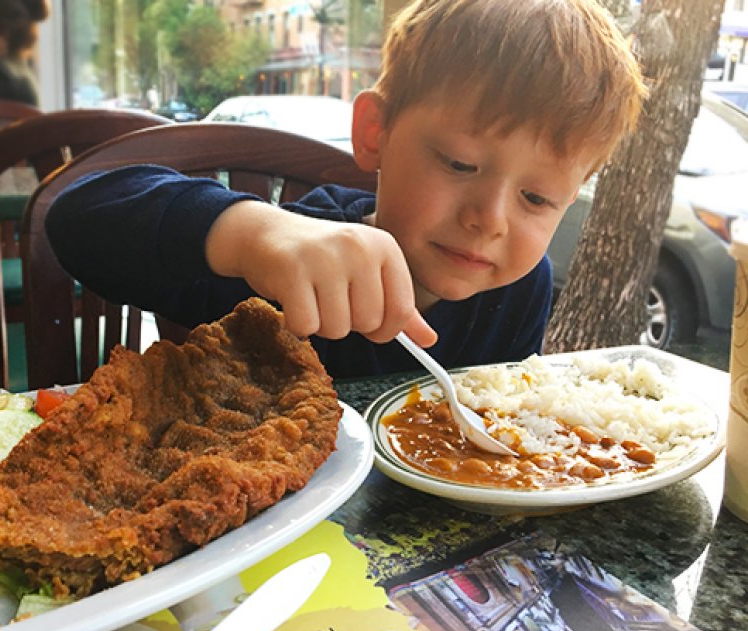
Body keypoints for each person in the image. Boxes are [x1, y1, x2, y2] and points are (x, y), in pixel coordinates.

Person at [44, 0, 648, 379]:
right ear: (375, 133)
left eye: (537, 199)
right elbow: (76, 217)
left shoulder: (521, 289)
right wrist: (253, 234)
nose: (490, 219)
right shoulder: (285, 264)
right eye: (460, 163)